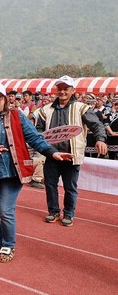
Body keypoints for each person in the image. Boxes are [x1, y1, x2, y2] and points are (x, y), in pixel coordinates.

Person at [0, 83, 72, 263]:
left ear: (4, 99)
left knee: (5, 211)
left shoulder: (17, 116)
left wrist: (51, 152)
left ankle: (8, 244)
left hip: (12, 172)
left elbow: (34, 137)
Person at [36, 75, 108, 227]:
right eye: (59, 88)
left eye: (65, 89)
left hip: (71, 156)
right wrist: (44, 148)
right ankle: (54, 211)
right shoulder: (45, 110)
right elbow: (38, 131)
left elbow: (97, 125)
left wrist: (100, 139)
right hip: (52, 155)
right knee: (50, 185)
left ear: (72, 90)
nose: (62, 91)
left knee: (70, 187)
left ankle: (68, 213)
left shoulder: (81, 108)